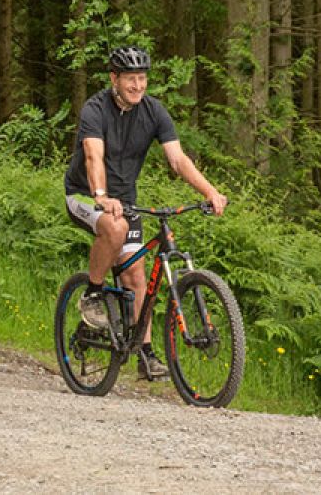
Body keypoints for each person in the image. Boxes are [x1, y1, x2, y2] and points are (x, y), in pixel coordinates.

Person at [63, 46, 228, 381]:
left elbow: (178, 160)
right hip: (85, 195)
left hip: (127, 201)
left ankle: (146, 355)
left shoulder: (153, 112)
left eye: (142, 78)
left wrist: (210, 191)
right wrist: (101, 196)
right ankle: (93, 292)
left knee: (137, 276)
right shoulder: (95, 109)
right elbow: (93, 157)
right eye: (130, 79)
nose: (137, 85)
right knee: (114, 226)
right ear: (114, 79)